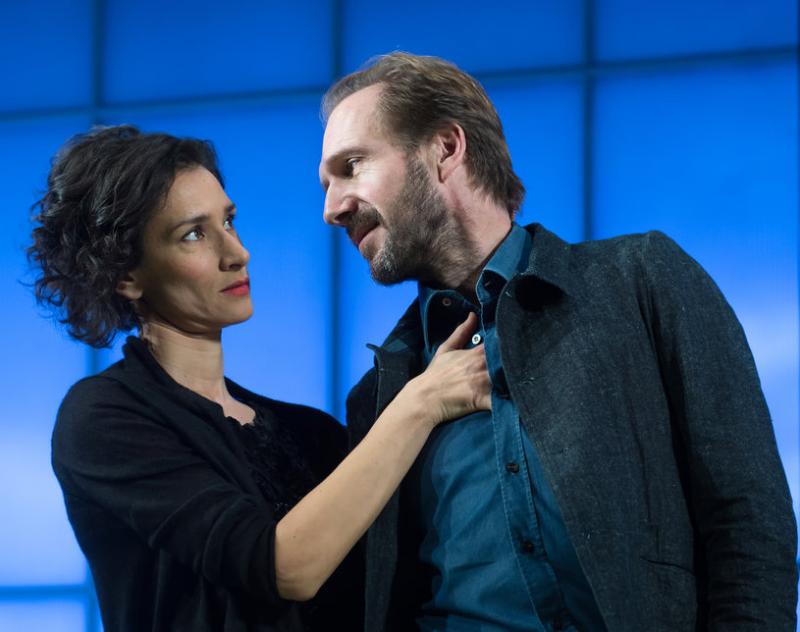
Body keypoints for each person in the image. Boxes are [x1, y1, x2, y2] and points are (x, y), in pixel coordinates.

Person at [318, 52, 798, 631]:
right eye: (327, 184)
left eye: (351, 166)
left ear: (445, 148)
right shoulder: (377, 397)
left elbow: (749, 523)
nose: (332, 209)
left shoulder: (642, 279)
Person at [28, 124, 491, 631]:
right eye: (193, 234)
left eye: (229, 221)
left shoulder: (311, 433)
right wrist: (421, 403)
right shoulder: (102, 418)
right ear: (125, 275)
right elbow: (284, 568)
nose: (237, 253)